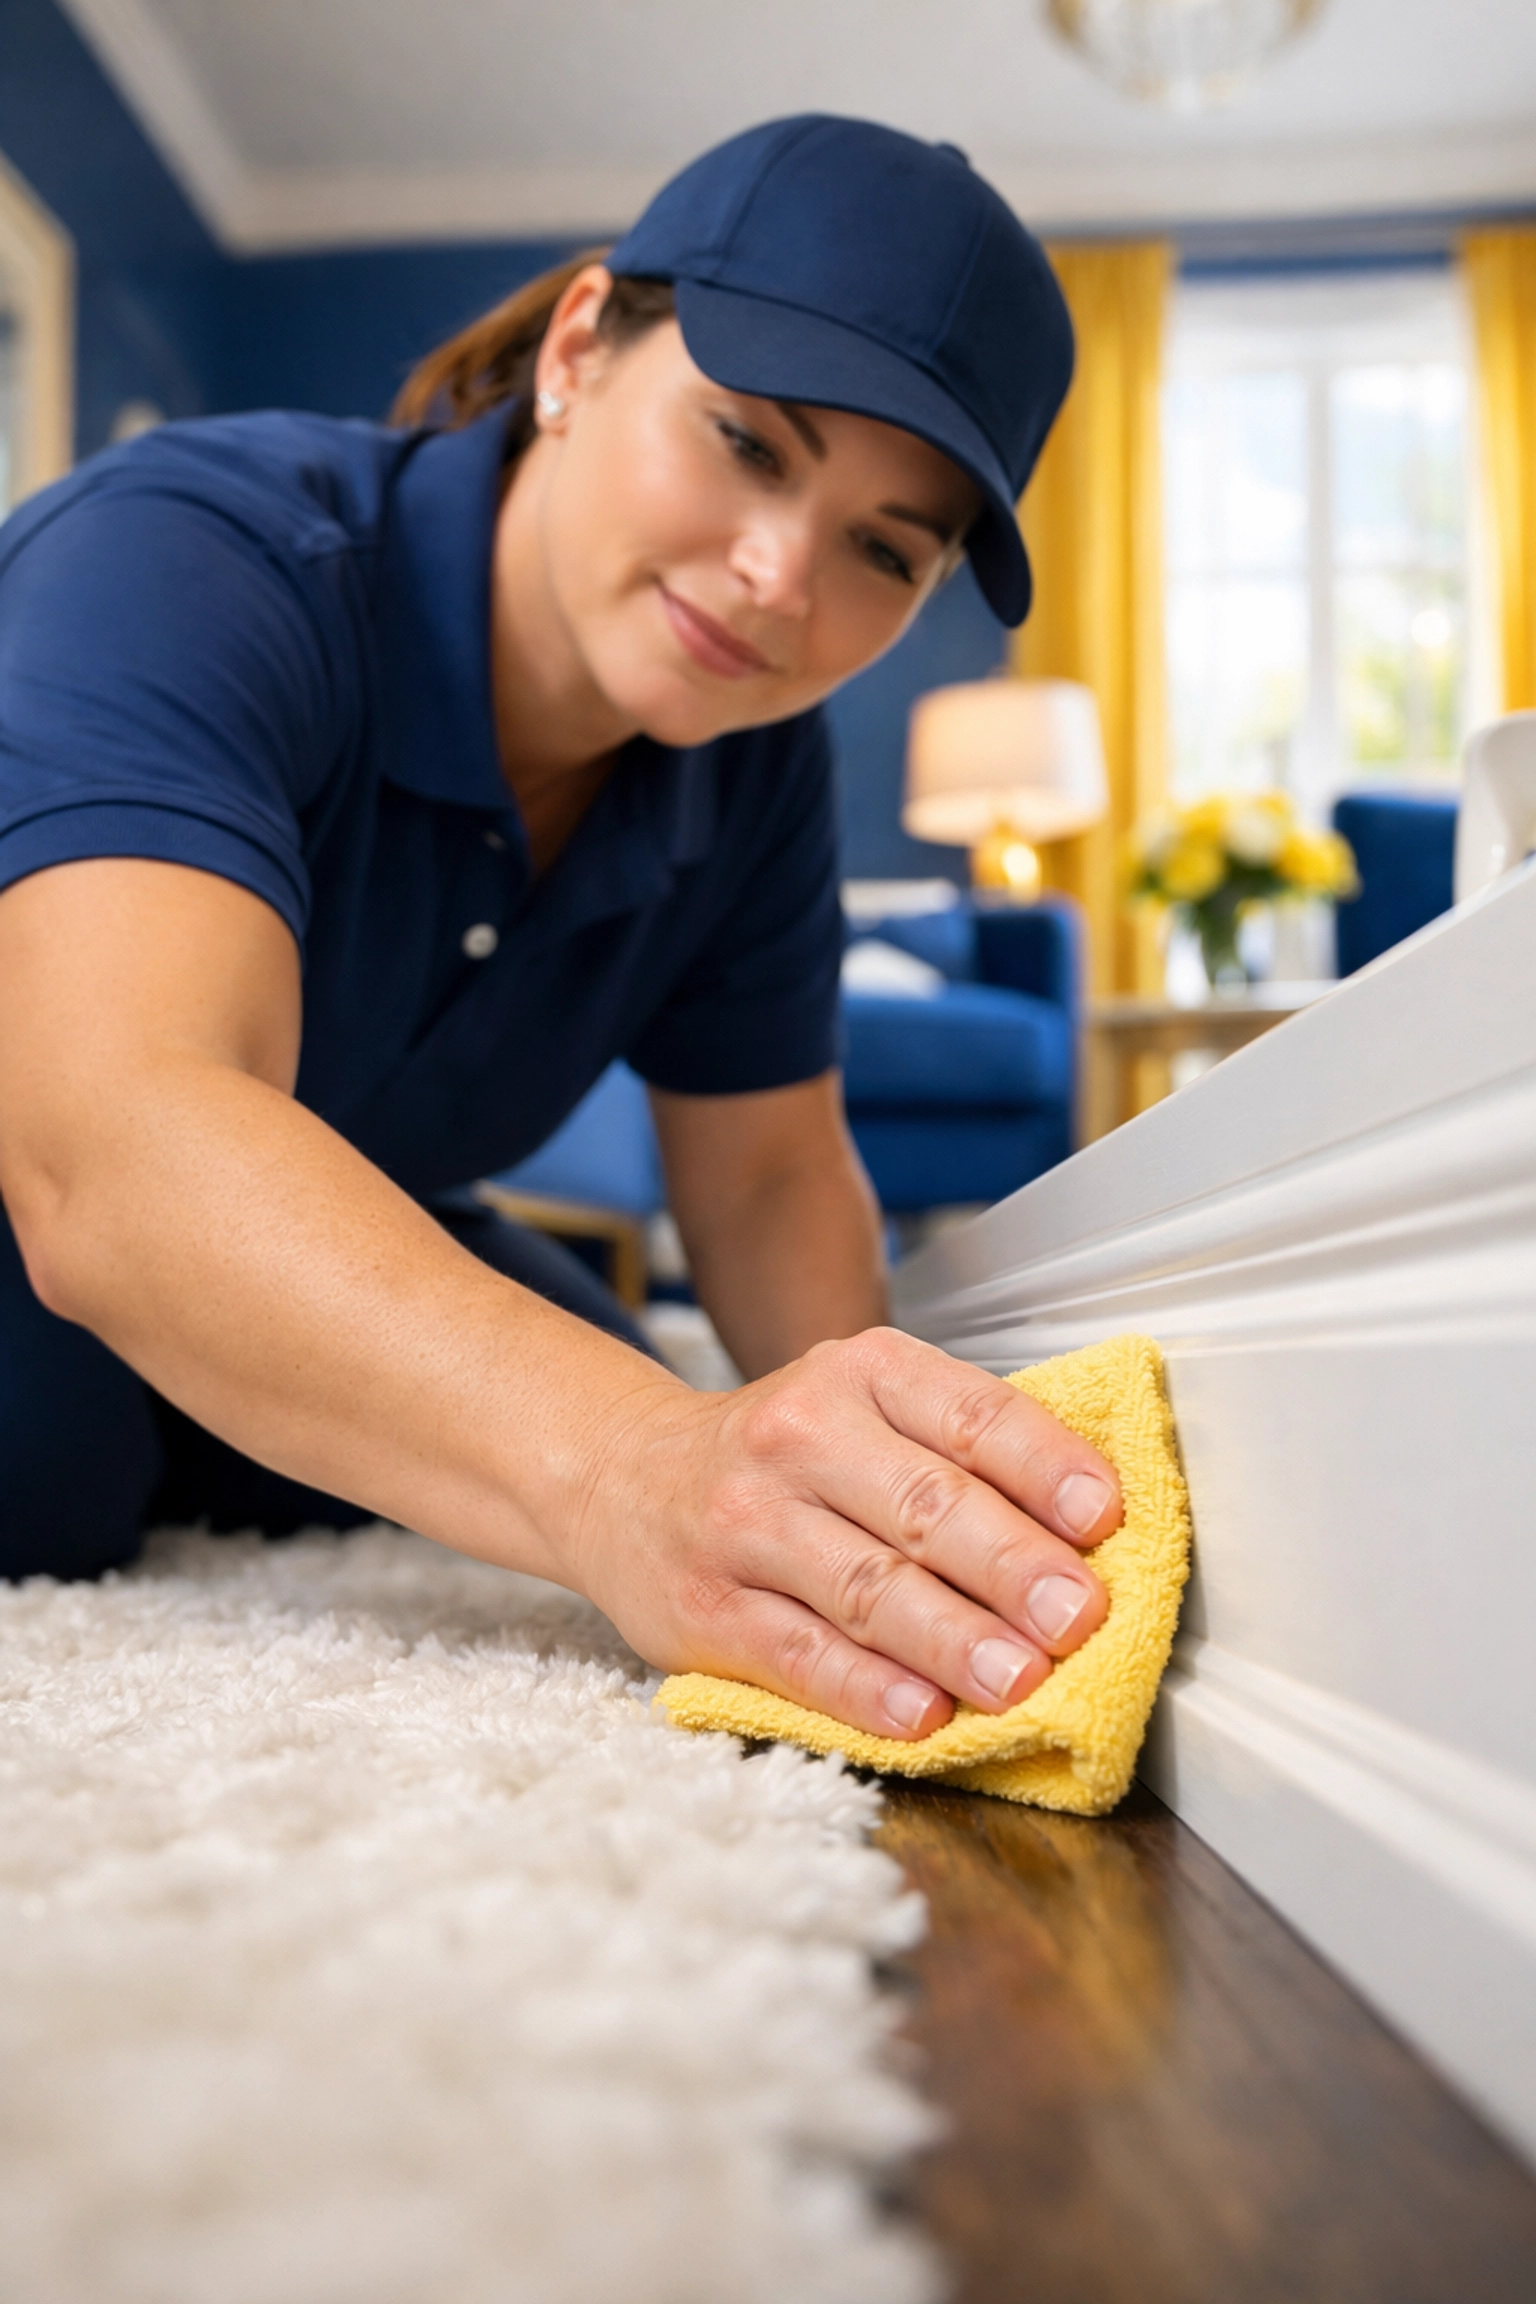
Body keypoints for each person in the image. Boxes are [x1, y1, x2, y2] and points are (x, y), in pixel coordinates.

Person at [0, 114, 1123, 1742]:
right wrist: (628, 1472)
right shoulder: (193, 557)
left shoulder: (752, 773)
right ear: (583, 347)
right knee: (65, 1460)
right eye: (747, 441)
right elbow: (109, 1140)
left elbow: (766, 1173)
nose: (774, 579)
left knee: (647, 1413)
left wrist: (917, 1494)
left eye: (885, 549)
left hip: (349, 1194)